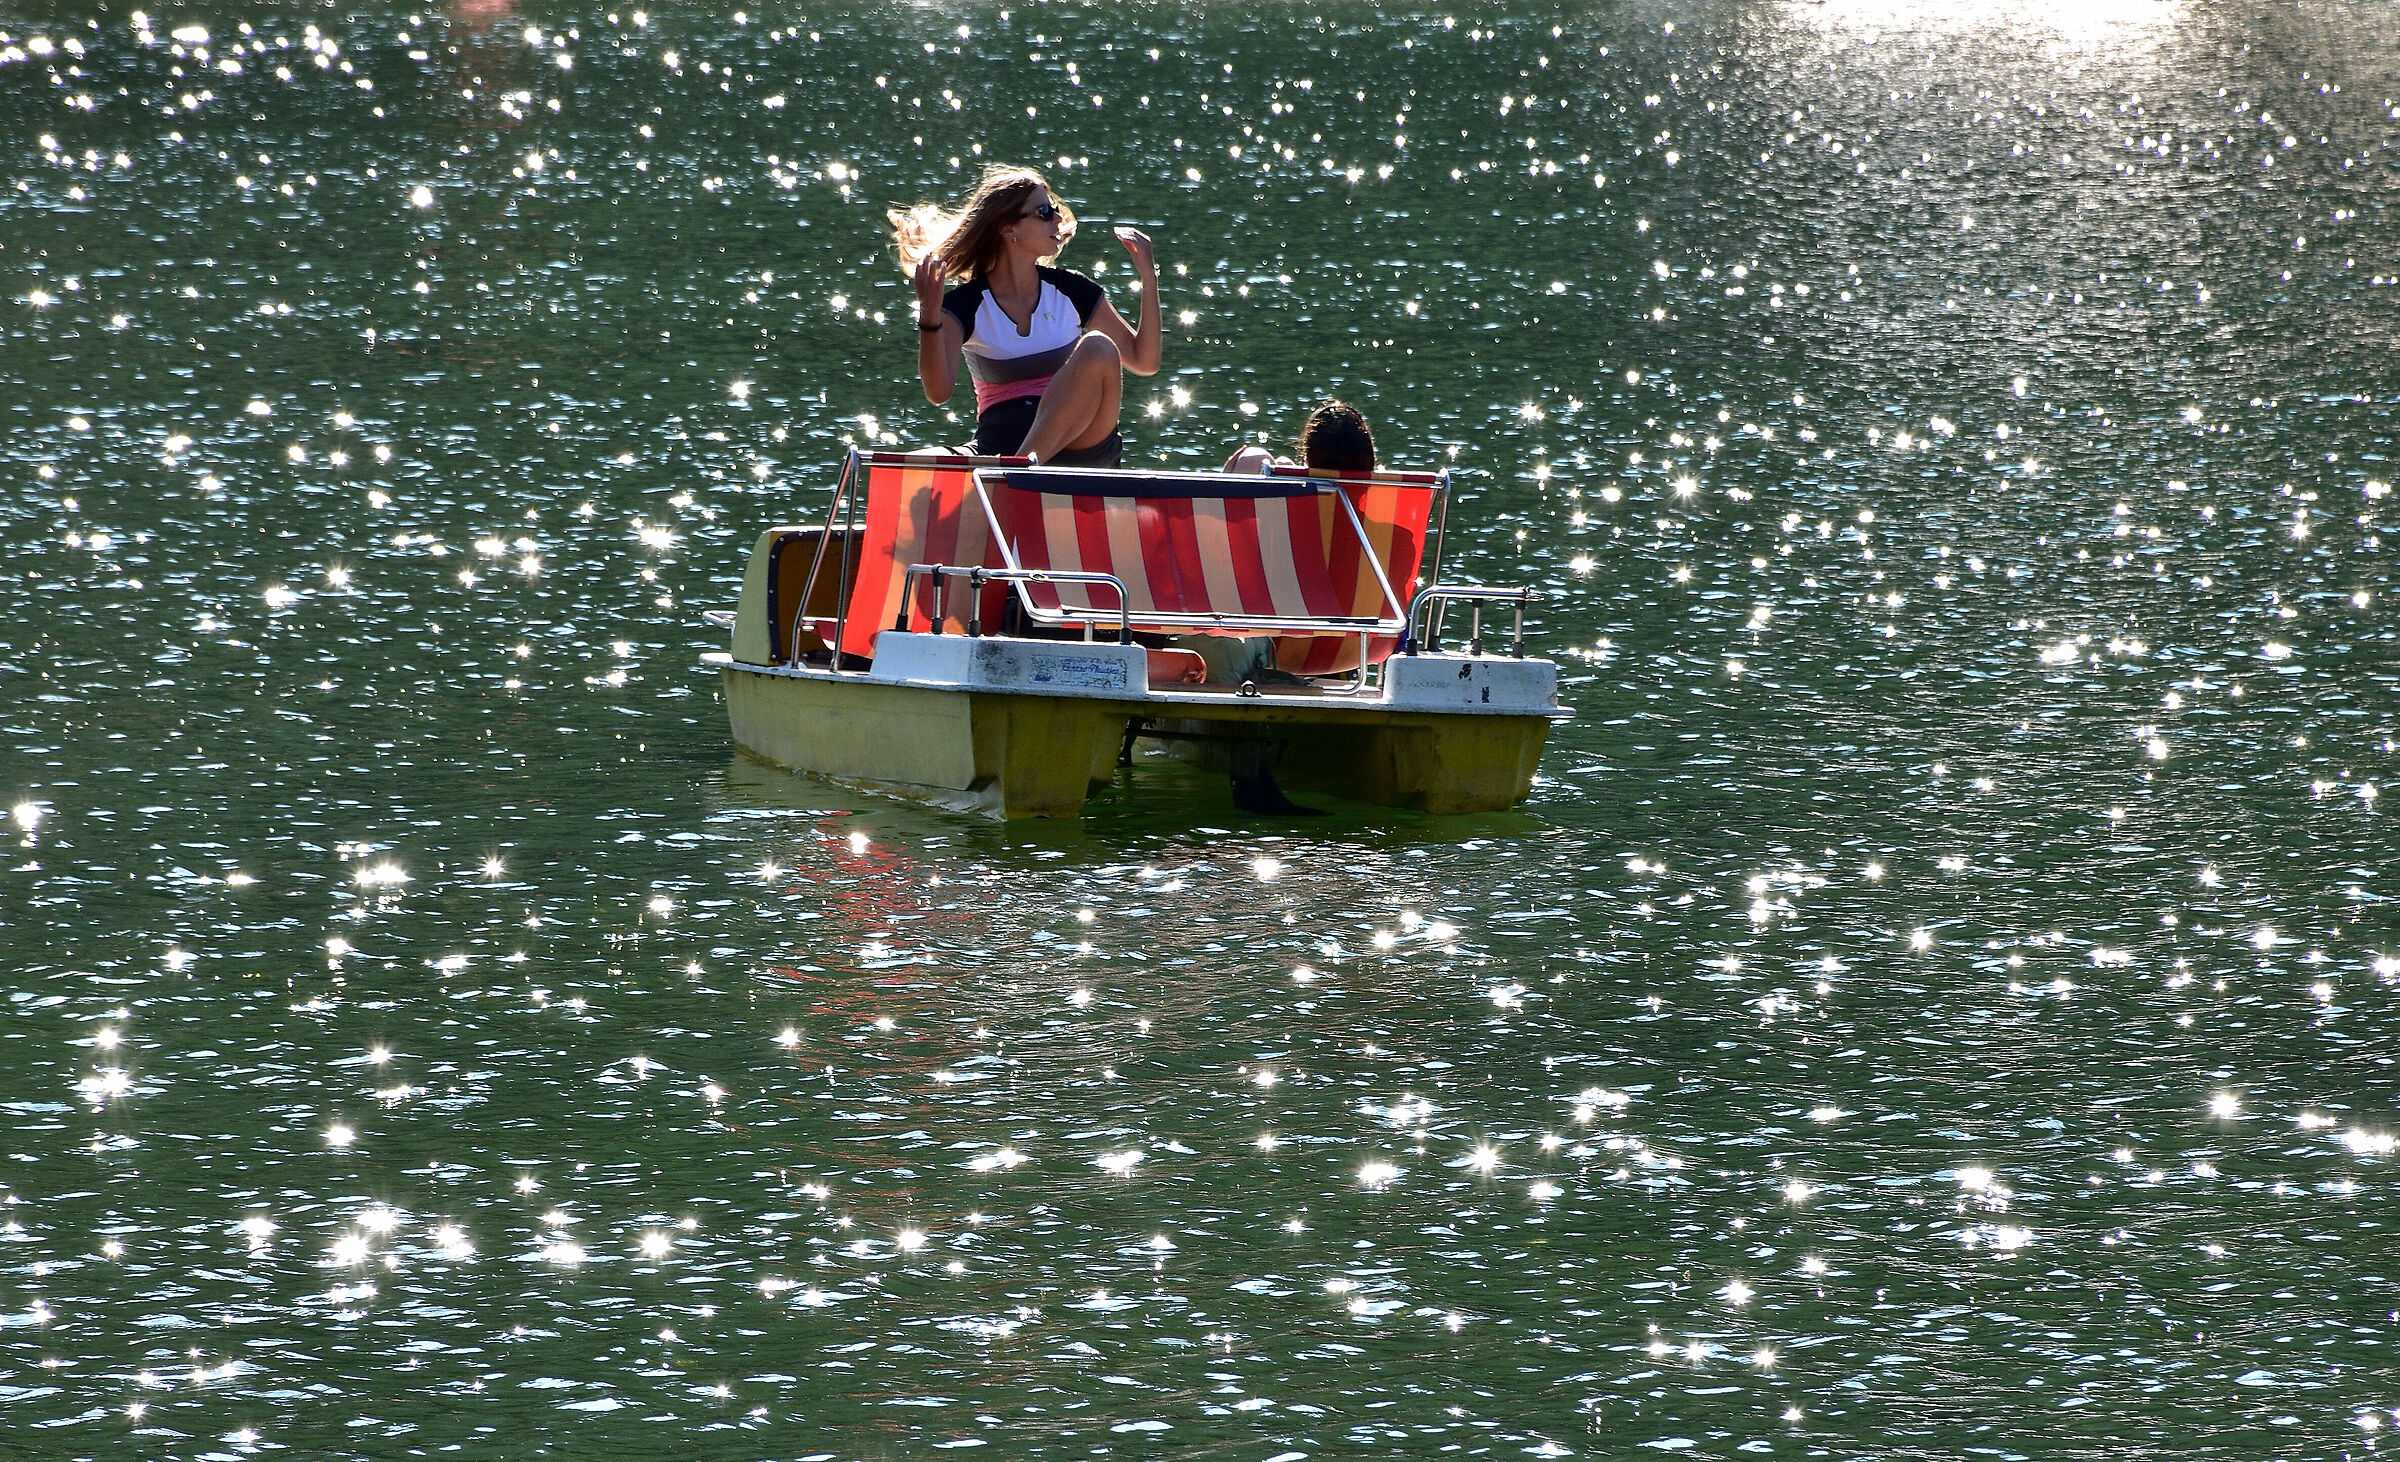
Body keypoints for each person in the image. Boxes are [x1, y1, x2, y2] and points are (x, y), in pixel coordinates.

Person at [892, 166, 1160, 466]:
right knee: (909, 464)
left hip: (1080, 443)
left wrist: (1149, 279)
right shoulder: (964, 304)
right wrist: (929, 312)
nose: (1058, 218)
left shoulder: (1073, 290)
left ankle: (1016, 474)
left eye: (1055, 209)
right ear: (1009, 230)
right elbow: (938, 393)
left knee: (1098, 347)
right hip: (999, 443)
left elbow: (1144, 361)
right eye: (1044, 212)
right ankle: (1016, 472)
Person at [1177, 400, 1382, 684]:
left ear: (1309, 461)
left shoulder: (1286, 526)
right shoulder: (1395, 535)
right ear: (1370, 462)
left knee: (1253, 460)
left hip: (1279, 649)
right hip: (1359, 651)